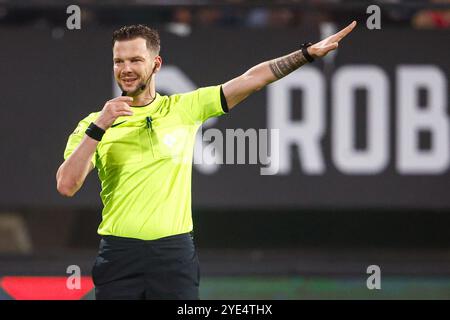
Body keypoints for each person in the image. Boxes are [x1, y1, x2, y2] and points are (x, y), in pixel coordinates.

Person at [56, 22, 356, 300]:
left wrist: (306, 54)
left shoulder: (184, 108)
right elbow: (67, 186)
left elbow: (252, 80)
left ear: (156, 64)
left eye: (136, 60)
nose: (126, 69)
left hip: (173, 254)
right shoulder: (93, 124)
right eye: (119, 61)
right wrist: (100, 127)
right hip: (118, 255)